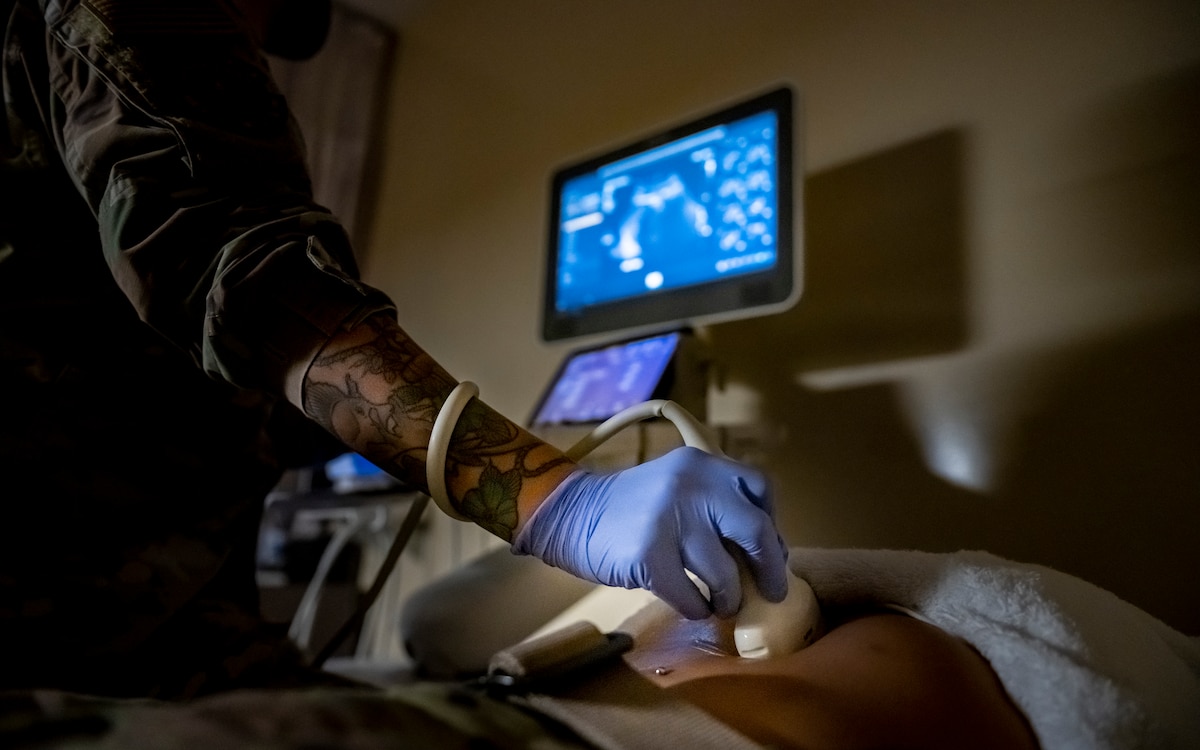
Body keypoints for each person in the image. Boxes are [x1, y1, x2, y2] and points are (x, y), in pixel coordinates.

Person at [0, 0, 787, 699]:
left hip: (169, 633)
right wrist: (562, 503)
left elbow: (180, 333)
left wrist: (321, 432)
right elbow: (245, 274)